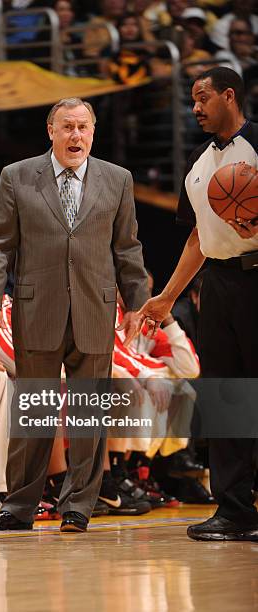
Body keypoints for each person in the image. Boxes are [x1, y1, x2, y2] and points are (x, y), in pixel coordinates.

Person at [0, 96, 149, 533]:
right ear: (50, 131)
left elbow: (127, 248)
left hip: (96, 307)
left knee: (89, 415)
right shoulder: (16, 176)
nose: (76, 135)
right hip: (37, 307)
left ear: (93, 132)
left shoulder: (119, 179)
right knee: (34, 412)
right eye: (67, 127)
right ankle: (18, 508)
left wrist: (138, 303)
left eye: (84, 127)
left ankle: (78, 507)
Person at [138, 66, 258, 541]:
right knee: (228, 398)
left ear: (230, 96)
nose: (195, 108)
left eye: (203, 98)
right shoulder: (196, 161)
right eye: (192, 100)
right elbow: (196, 238)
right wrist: (166, 296)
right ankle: (234, 510)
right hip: (219, 285)